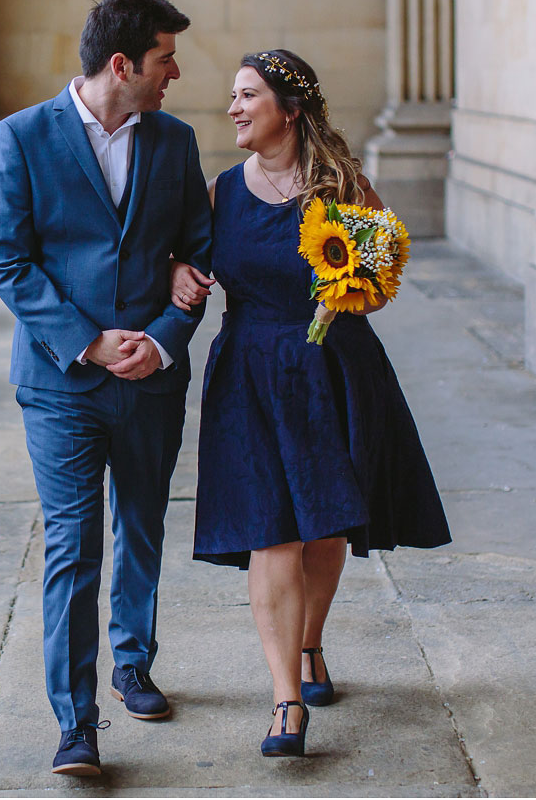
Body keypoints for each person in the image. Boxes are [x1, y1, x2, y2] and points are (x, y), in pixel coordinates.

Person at [171, 49, 451, 758]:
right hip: (250, 377)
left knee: (324, 529)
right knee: (273, 532)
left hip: (335, 370)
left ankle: (311, 644)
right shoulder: (220, 192)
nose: (233, 108)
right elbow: (178, 257)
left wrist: (356, 284)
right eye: (233, 97)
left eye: (247, 96)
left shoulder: (345, 187)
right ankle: (286, 701)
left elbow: (383, 276)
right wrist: (177, 269)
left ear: (289, 110)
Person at [0, 0, 214, 777]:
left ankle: (132, 663)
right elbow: (8, 261)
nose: (174, 73)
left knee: (142, 526)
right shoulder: (19, 137)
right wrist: (88, 342)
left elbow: (197, 254)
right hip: (60, 385)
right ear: (122, 65)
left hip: (151, 379)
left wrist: (162, 339)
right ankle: (75, 724)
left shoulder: (177, 143)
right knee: (73, 550)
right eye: (164, 59)